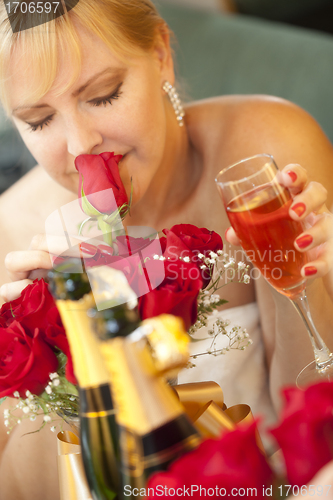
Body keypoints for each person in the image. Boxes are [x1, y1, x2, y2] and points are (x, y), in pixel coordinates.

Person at [0, 1, 332, 498]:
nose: (80, 147)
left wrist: (299, 278)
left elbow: (312, 426)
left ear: (160, 55)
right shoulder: (14, 231)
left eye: (104, 95)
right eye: (40, 121)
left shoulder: (257, 158)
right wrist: (54, 358)